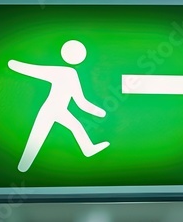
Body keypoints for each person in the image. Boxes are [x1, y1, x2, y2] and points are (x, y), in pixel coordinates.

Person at [8, 39, 109, 172]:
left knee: (75, 126)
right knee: (37, 137)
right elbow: (35, 70)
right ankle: (23, 166)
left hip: (60, 110)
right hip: (50, 110)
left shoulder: (71, 74)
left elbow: (81, 102)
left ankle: (88, 149)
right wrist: (15, 65)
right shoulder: (66, 72)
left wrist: (98, 112)